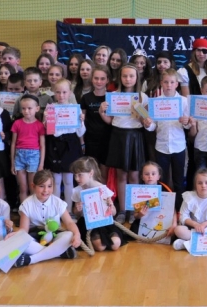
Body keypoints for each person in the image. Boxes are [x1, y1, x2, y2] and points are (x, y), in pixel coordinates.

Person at [101, 64, 155, 223]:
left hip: (135, 136)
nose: (128, 79)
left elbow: (146, 122)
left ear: (137, 78)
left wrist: (146, 120)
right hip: (118, 135)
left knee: (134, 175)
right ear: (120, 77)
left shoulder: (142, 97)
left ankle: (133, 210)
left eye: (131, 76)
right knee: (121, 175)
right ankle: (123, 210)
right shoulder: (113, 96)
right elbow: (110, 121)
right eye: (124, 76)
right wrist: (102, 112)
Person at [11, 169, 82, 267]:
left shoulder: (57, 202)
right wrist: (16, 235)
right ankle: (59, 252)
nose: (46, 190)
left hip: (54, 236)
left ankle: (31, 259)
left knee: (69, 235)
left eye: (49, 186)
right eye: (41, 186)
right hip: (36, 238)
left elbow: (69, 223)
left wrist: (77, 235)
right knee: (20, 240)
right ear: (33, 186)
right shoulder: (27, 204)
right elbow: (24, 230)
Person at [45, 79, 85, 208]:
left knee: (68, 180)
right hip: (55, 145)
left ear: (70, 93)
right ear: (53, 92)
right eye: (58, 92)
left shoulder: (76, 109)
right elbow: (49, 131)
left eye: (64, 92)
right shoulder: (51, 108)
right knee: (56, 181)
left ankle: (69, 210)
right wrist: (47, 120)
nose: (61, 95)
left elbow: (80, 132)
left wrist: (81, 121)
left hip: (70, 146)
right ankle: (57, 210)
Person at [152, 68, 192, 198]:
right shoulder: (156, 102)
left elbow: (188, 125)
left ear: (177, 84)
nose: (168, 85)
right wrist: (148, 124)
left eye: (172, 82)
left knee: (178, 180)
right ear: (161, 83)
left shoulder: (184, 101)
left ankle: (179, 207)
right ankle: (164, 207)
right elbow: (153, 126)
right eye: (166, 82)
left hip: (178, 146)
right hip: (161, 146)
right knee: (162, 180)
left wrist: (186, 122)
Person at [71, 156, 124, 252]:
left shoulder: (102, 189)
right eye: (75, 175)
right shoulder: (77, 191)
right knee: (100, 246)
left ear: (91, 173)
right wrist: (77, 209)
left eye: (80, 175)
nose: (76, 178)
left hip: (104, 222)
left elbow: (114, 213)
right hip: (87, 223)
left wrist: (111, 207)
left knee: (115, 244)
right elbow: (76, 213)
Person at [172, 169, 207, 251]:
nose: (203, 185)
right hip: (194, 229)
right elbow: (183, 216)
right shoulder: (189, 197)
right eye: (200, 183)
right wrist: (196, 225)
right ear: (195, 185)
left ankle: (187, 244)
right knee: (178, 230)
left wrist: (204, 224)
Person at [128, 161, 177, 240]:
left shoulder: (166, 190)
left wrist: (174, 224)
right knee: (133, 232)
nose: (150, 176)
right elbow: (135, 215)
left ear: (158, 176)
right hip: (144, 221)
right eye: (146, 174)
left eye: (153, 174)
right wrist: (140, 214)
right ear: (142, 177)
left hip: (161, 221)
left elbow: (172, 210)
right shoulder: (138, 191)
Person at [81, 64, 113, 184]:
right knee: (91, 172)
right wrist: (82, 141)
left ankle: (103, 195)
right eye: (96, 78)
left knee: (104, 173)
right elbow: (82, 121)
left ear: (107, 80)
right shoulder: (86, 98)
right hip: (90, 140)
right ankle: (92, 195)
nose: (99, 82)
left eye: (102, 79)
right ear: (92, 79)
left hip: (108, 139)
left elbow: (114, 120)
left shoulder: (112, 97)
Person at [10, 95, 46, 203]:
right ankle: (24, 210)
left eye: (29, 108)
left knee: (32, 188)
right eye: (23, 108)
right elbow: (13, 144)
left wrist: (41, 164)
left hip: (34, 156)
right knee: (23, 188)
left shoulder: (39, 125)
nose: (26, 111)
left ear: (37, 108)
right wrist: (12, 163)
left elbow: (42, 145)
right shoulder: (17, 123)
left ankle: (33, 209)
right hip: (19, 156)